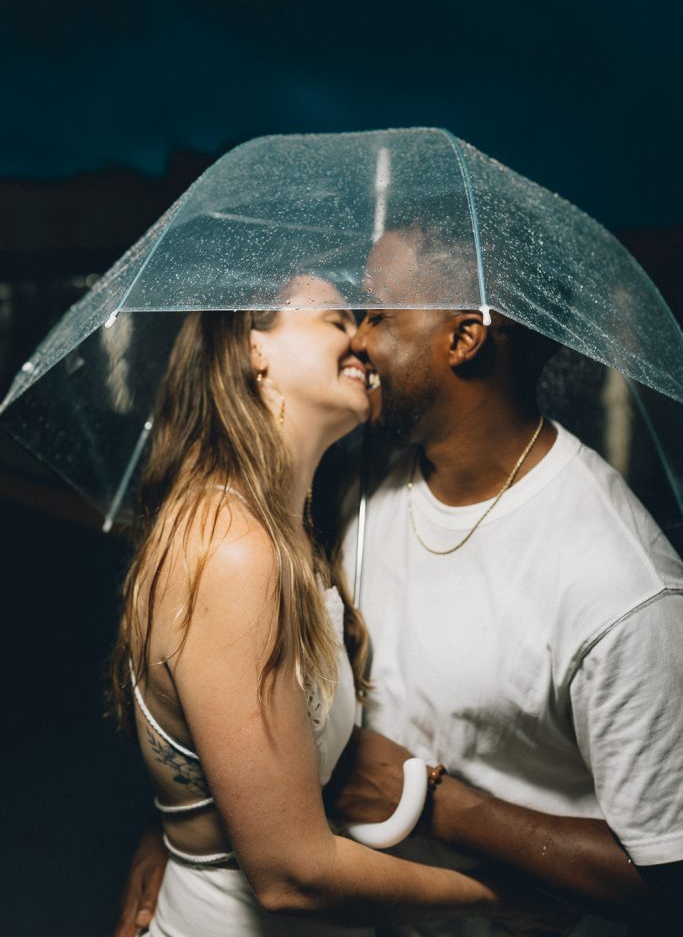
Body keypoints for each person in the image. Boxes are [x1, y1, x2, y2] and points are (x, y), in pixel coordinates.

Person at [116, 235, 683, 936]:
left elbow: (664, 875)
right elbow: (225, 703)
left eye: (378, 315)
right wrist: (184, 827)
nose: (358, 336)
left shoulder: (620, 582)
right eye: (342, 318)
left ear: (465, 336)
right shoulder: (351, 482)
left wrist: (435, 803)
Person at [109, 275, 506, 937]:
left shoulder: (285, 529)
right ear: (252, 349)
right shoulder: (232, 551)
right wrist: (492, 900)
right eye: (332, 320)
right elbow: (290, 872)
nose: (359, 338)